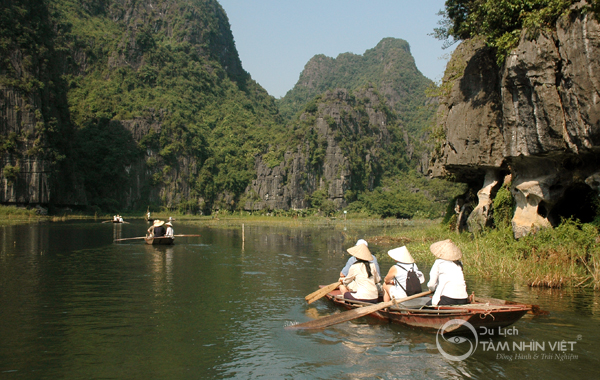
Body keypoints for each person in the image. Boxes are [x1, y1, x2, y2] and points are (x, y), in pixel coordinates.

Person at [426, 239, 469, 306]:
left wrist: (432, 289)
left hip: (448, 298)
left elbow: (431, 284)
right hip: (463, 298)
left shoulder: (439, 262)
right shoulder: (459, 263)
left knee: (426, 306)